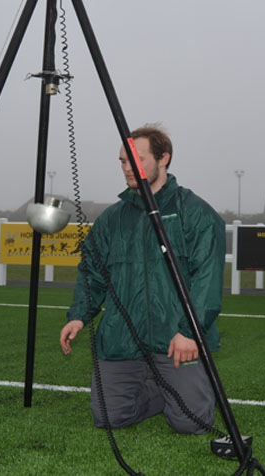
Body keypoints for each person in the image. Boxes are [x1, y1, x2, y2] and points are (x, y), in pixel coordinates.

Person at [59, 124, 226, 434]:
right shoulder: (112, 219)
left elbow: (207, 278)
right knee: (109, 417)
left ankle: (186, 388)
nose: (127, 168)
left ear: (164, 159)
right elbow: (92, 273)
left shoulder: (196, 213)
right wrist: (79, 316)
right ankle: (161, 390)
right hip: (123, 335)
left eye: (137, 160)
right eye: (123, 161)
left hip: (176, 337)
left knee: (193, 423)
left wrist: (189, 331)